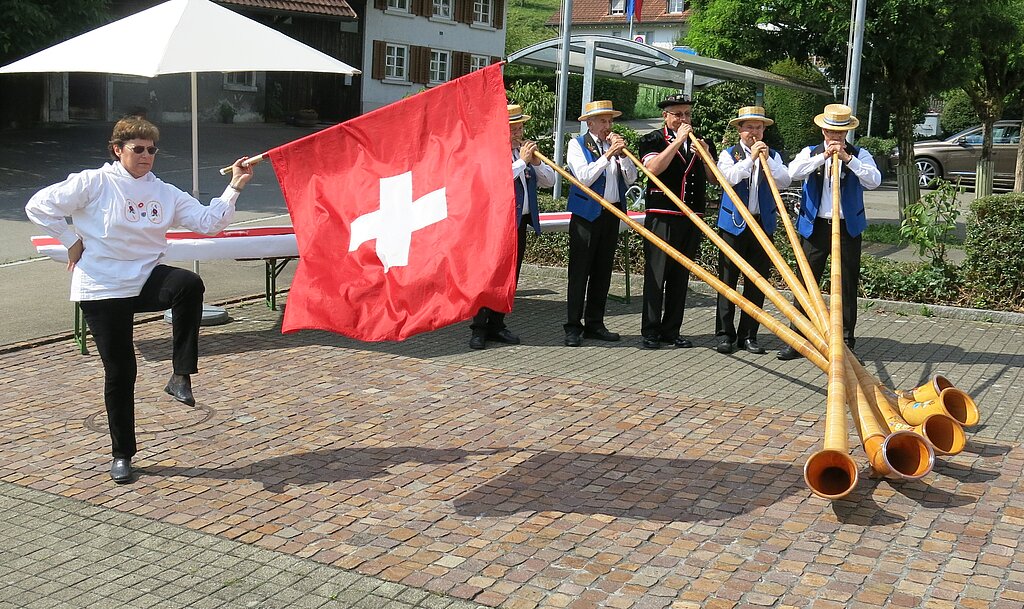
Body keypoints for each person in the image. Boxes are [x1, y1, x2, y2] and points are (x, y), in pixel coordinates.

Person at [25, 116, 253, 483]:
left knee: (188, 284)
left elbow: (209, 222)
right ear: (118, 150)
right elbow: (38, 206)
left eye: (152, 149)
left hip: (145, 278)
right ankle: (122, 454)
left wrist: (235, 187)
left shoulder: (164, 191)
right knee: (121, 372)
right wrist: (70, 240)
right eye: (138, 149)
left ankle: (180, 375)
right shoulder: (94, 182)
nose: (147, 155)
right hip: (102, 286)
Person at [777, 103, 881, 360]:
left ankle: (845, 341)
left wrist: (848, 159)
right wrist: (823, 156)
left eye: (840, 133)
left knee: (845, 284)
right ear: (823, 131)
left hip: (847, 227)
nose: (834, 138)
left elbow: (874, 181)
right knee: (806, 283)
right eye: (830, 133)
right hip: (816, 227)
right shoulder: (810, 152)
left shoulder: (860, 154)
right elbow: (793, 173)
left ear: (846, 134)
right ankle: (799, 339)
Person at [469, 104, 555, 349]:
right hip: (496, 226)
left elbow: (549, 181)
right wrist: (522, 163)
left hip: (518, 224)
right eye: (514, 129)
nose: (519, 134)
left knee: (511, 278)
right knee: (490, 277)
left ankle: (498, 324)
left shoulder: (523, 154)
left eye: (520, 128)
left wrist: (536, 163)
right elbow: (495, 181)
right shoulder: (491, 153)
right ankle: (479, 327)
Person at [637, 93, 717, 350]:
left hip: (692, 216)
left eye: (687, 114)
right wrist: (678, 141)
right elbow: (652, 169)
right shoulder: (652, 139)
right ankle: (650, 331)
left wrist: (705, 155)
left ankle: (672, 330)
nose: (683, 119)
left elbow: (715, 180)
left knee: (680, 276)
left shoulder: (703, 142)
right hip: (662, 216)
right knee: (656, 275)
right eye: (678, 114)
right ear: (666, 116)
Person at [714, 106, 791, 355]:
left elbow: (785, 180)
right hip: (734, 226)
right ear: (740, 129)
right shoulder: (729, 154)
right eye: (749, 128)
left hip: (762, 224)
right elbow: (729, 178)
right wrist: (751, 159)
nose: (754, 133)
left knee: (756, 283)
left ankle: (749, 335)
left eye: (758, 128)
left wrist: (766, 159)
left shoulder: (773, 156)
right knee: (727, 281)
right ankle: (725, 334)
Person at [563, 100, 638, 347]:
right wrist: (607, 155)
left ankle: (595, 323)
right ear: (590, 123)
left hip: (611, 213)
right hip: (586, 215)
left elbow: (632, 177)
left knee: (602, 271)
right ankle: (573, 326)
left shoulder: (614, 146)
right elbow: (583, 177)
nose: (608, 125)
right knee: (579, 272)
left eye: (610, 120)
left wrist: (623, 156)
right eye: (604, 121)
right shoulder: (576, 144)